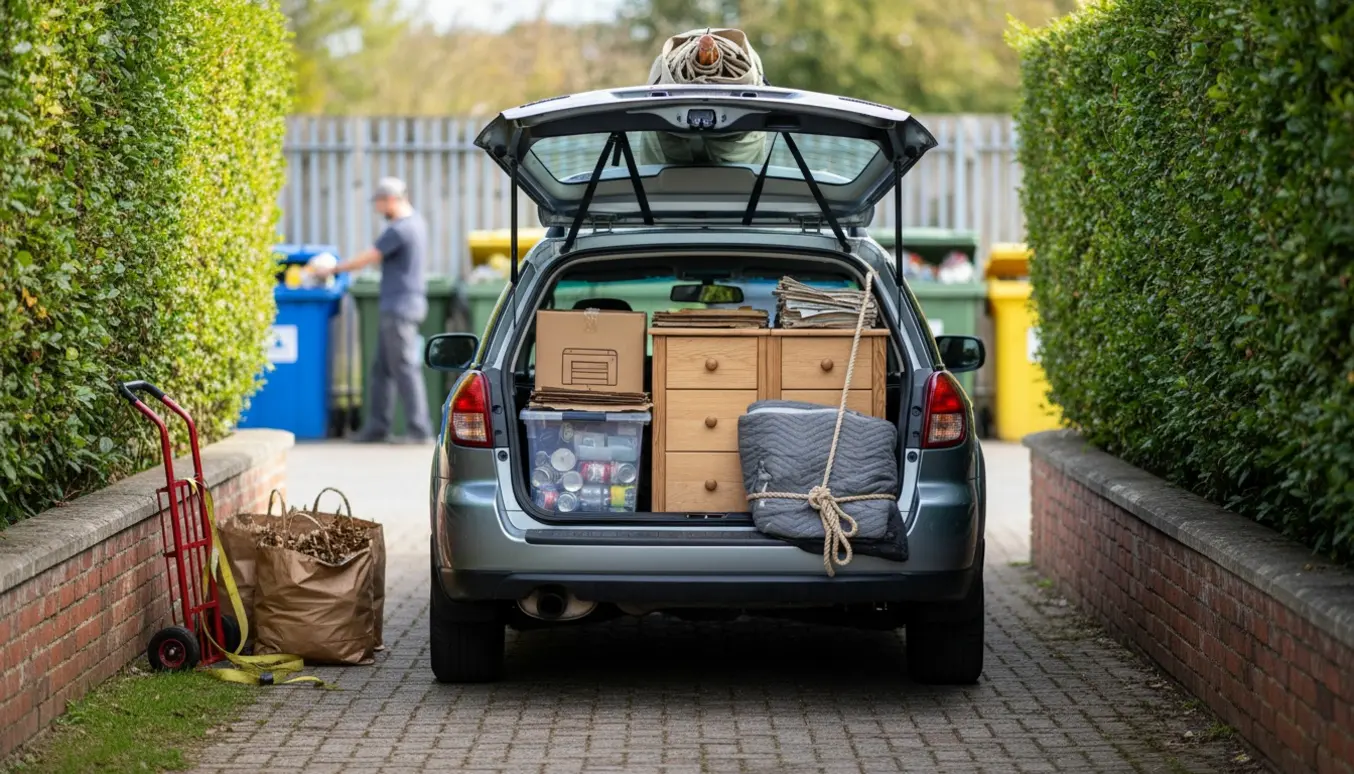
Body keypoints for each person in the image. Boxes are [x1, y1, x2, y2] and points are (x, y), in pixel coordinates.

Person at [313, 177, 431, 443]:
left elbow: (368, 257)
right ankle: (377, 427)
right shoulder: (418, 223)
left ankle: (419, 429)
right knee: (382, 369)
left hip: (399, 308)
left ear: (391, 199)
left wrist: (331, 269)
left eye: (379, 203)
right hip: (403, 305)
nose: (378, 209)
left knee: (404, 368)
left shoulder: (400, 229)